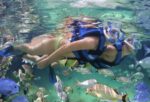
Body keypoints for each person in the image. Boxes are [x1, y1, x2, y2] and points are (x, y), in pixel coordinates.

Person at [1, 16, 135, 70]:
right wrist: (47, 61)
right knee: (33, 49)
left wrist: (48, 61)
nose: (114, 40)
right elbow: (66, 47)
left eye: (117, 36)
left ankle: (20, 54)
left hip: (67, 55)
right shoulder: (93, 41)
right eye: (113, 33)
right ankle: (12, 43)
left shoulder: (115, 50)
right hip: (58, 44)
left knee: (40, 60)